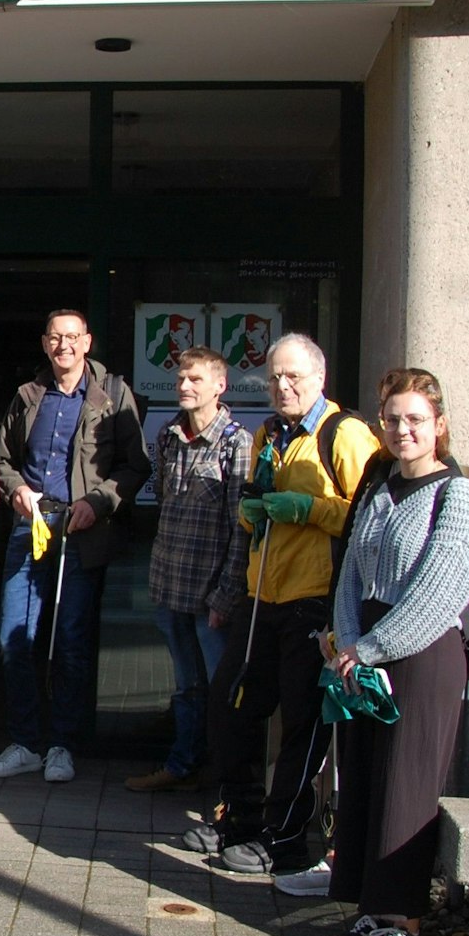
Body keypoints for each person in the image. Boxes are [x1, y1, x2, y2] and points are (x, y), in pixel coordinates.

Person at [191, 332, 381, 876]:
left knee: (301, 723)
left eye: (293, 376)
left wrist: (309, 509)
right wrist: (251, 511)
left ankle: (285, 839)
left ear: (319, 377)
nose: (282, 386)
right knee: (231, 704)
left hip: (313, 600)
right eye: (274, 377)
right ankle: (239, 818)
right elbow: (255, 502)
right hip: (262, 596)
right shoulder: (269, 432)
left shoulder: (344, 434)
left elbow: (369, 517)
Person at [322, 368, 469, 936]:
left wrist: (369, 648)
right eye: (393, 419)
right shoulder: (380, 487)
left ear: (439, 425)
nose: (403, 430)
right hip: (369, 650)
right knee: (366, 779)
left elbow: (440, 593)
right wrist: (348, 641)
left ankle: (407, 925)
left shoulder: (458, 496)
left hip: (423, 656)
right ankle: (371, 909)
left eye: (416, 419)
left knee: (408, 786)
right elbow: (351, 574)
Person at [0, 310, 151, 784]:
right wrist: (17, 490)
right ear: (44, 343)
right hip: (32, 527)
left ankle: (62, 745)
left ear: (87, 341)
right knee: (13, 638)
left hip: (82, 531)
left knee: (71, 643)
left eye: (73, 337)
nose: (65, 345)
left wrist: (99, 502)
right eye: (56, 338)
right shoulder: (28, 395)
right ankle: (25, 743)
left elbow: (136, 466)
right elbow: (2, 460)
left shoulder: (112, 395)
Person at [127, 346, 252, 793]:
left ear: (220, 386)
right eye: (181, 378)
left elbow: (243, 529)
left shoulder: (236, 443)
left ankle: (227, 784)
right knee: (185, 687)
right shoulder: (168, 436)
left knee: (222, 691)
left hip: (211, 595)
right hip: (171, 586)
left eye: (195, 379)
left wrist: (226, 595)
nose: (184, 385)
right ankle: (182, 766)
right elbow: (166, 504)